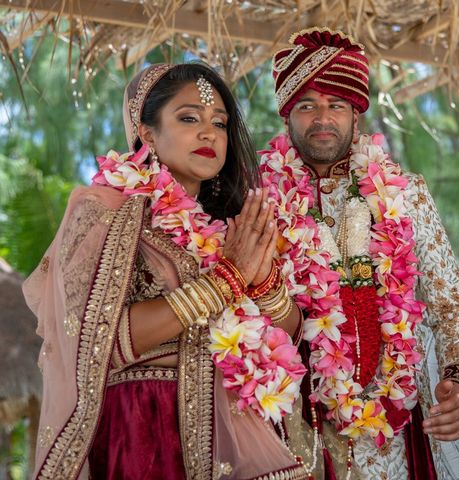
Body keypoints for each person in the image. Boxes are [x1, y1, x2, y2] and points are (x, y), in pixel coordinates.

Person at [23, 63, 309, 480]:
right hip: (144, 431)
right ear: (147, 132)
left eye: (220, 123)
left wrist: (264, 282)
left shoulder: (233, 222)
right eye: (189, 118)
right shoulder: (107, 212)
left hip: (237, 435)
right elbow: (96, 342)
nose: (209, 133)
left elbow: (290, 336)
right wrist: (227, 280)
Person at [259, 28, 459, 479]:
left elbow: (453, 307)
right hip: (294, 434)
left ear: (356, 115)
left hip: (394, 440)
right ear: (287, 117)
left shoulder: (406, 195)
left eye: (336, 104)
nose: (322, 117)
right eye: (307, 105)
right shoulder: (258, 204)